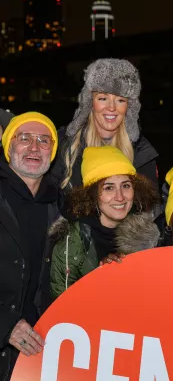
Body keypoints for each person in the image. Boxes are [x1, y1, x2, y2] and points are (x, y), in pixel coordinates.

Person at [50, 145, 159, 299]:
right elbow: (62, 304)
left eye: (126, 186)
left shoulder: (145, 235)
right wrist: (99, 279)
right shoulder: (74, 239)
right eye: (109, 188)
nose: (120, 197)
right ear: (92, 194)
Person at [0, 112, 59, 380]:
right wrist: (4, 325)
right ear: (8, 146)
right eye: (24, 138)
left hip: (38, 351)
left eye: (43, 140)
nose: (34, 147)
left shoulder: (60, 206)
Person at [51, 58, 159, 192]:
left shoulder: (140, 151)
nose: (112, 107)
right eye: (103, 98)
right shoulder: (65, 144)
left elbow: (150, 206)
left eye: (120, 100)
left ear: (129, 107)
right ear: (90, 102)